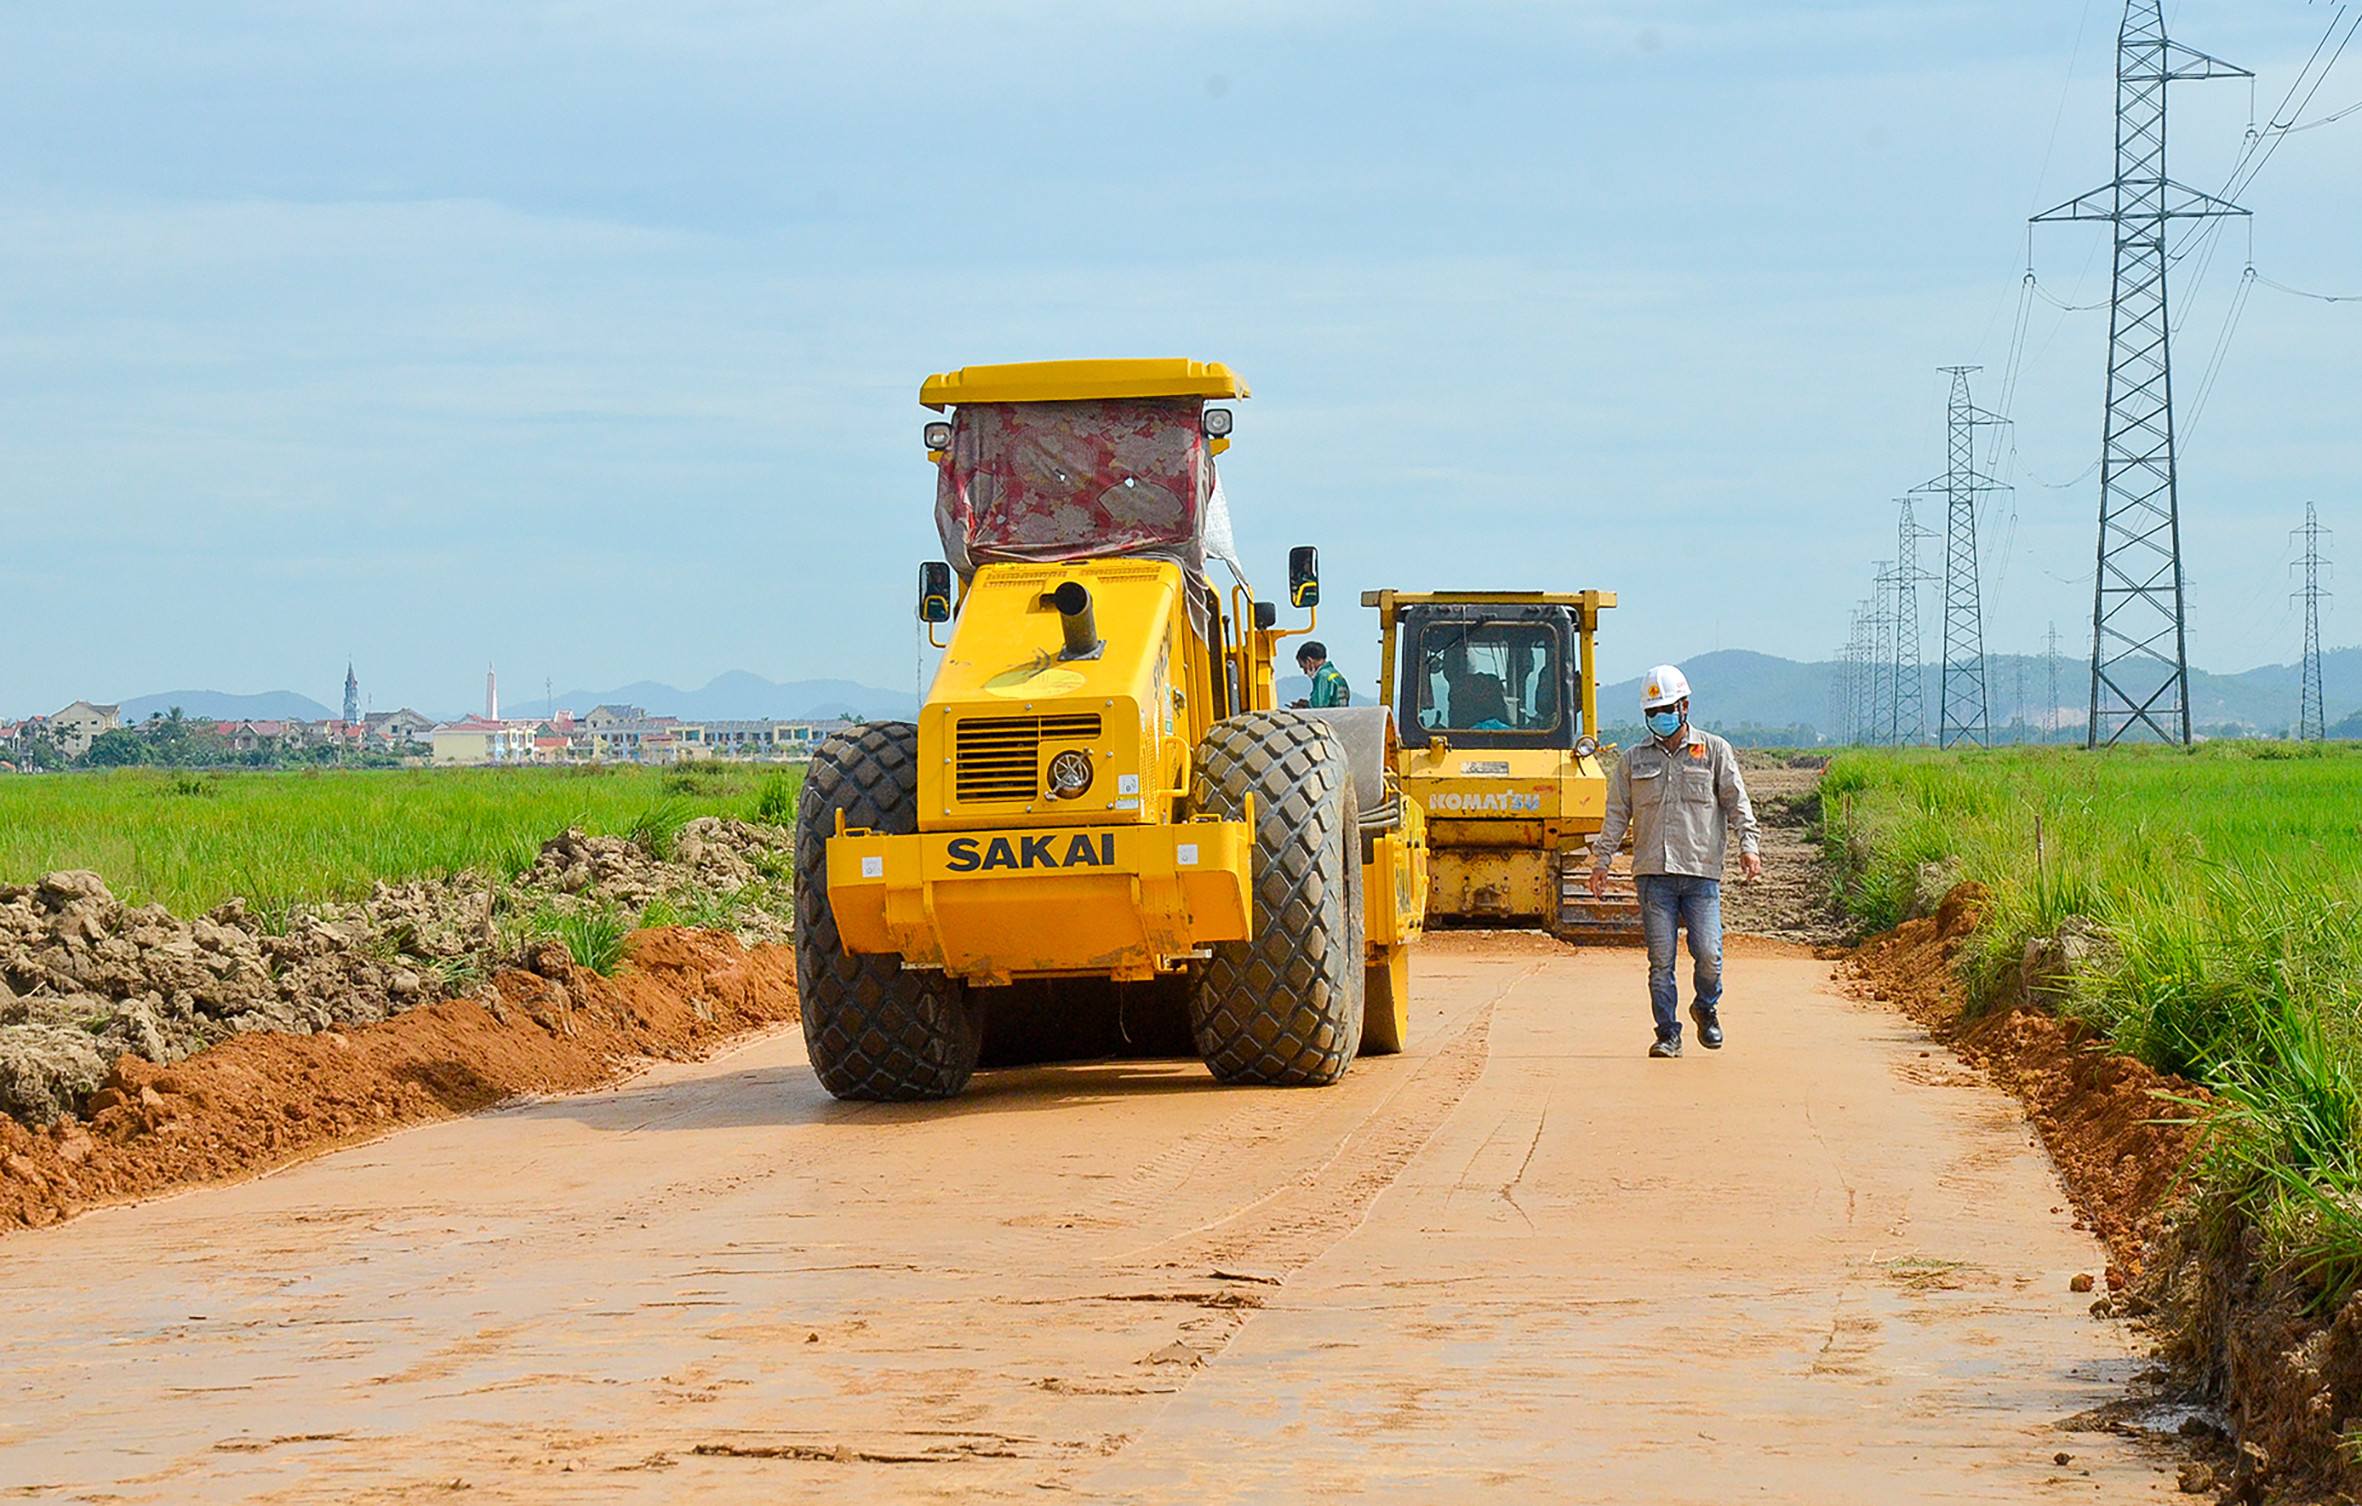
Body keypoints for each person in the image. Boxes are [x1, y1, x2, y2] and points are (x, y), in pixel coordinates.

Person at [1586, 663, 1762, 1058]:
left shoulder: (1713, 751)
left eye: (1666, 709)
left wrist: (1748, 845)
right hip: (1653, 876)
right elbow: (1616, 813)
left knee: (1709, 954)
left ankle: (1706, 1006)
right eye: (1652, 713)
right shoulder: (1633, 760)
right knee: (1660, 962)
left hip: (1700, 874)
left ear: (1685, 706)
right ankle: (1668, 1033)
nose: (1659, 718)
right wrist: (1602, 862)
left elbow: (1737, 803)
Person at [1291, 642, 1350, 708]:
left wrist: (1300, 709)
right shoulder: (1334, 674)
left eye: (1303, 667)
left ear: (1309, 661)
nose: (1305, 672)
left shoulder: (1323, 676)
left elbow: (1317, 707)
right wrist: (1307, 704)